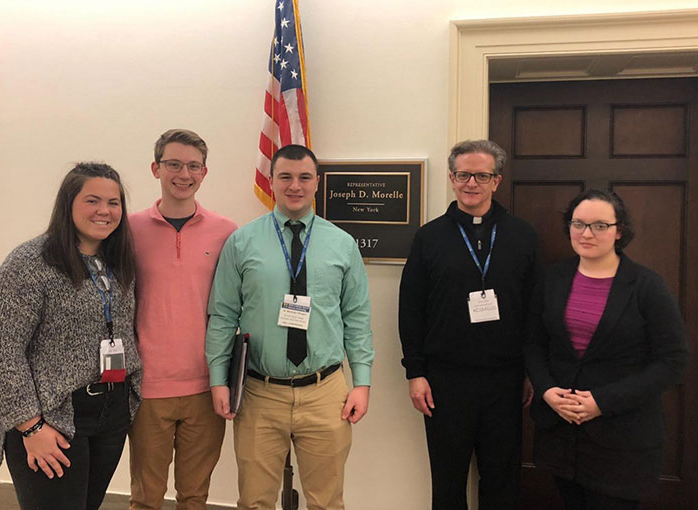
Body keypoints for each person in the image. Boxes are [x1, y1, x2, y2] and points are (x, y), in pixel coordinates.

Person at [206, 144, 374, 510]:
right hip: (260, 393)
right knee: (254, 501)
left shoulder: (342, 244)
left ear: (317, 182)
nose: (294, 185)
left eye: (303, 177)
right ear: (272, 181)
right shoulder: (242, 242)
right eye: (285, 176)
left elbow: (357, 319)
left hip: (326, 393)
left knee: (327, 501)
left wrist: (361, 383)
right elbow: (222, 314)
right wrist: (219, 378)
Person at [0, 162, 141, 510]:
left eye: (114, 202)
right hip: (54, 417)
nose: (105, 211)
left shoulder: (119, 260)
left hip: (110, 414)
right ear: (68, 204)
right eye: (92, 200)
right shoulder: (31, 261)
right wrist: (30, 426)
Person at [524, 189, 689, 510]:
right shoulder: (553, 278)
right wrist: (544, 390)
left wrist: (603, 402)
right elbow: (533, 343)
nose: (586, 233)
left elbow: (673, 361)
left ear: (619, 231)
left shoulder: (647, 285)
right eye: (578, 224)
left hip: (622, 438)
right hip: (561, 434)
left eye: (600, 225)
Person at [399, 139, 539, 510]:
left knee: (502, 479)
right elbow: (410, 309)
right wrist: (416, 372)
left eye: (481, 175)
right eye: (463, 175)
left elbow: (535, 310)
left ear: (497, 181)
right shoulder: (429, 237)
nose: (471, 183)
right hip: (445, 381)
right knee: (447, 480)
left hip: (506, 380)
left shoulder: (523, 235)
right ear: (451, 178)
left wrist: (531, 371)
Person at [128, 129, 237, 510]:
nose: (183, 173)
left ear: (204, 173)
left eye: (193, 166)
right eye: (173, 164)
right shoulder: (127, 230)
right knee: (145, 498)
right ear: (156, 168)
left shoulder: (227, 232)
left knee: (195, 497)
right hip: (147, 388)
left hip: (206, 387)